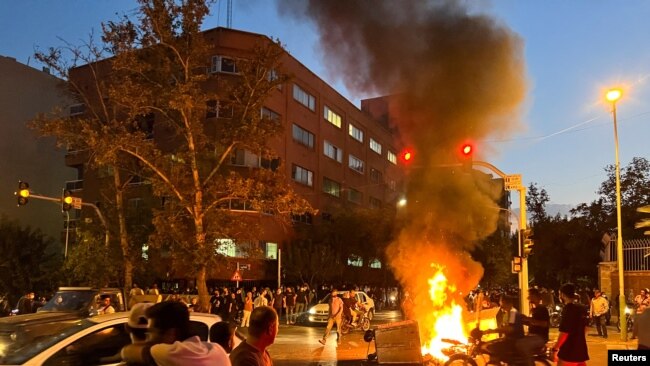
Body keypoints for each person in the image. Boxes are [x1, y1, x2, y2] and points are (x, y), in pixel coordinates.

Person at [121, 301, 230, 365]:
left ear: (170, 333)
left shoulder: (173, 354)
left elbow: (127, 352)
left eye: (151, 332)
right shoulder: (217, 349)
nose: (148, 339)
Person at [552, 283, 589, 365]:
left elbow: (564, 333)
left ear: (562, 294)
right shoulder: (582, 308)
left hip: (568, 351)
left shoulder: (567, 310)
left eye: (559, 294)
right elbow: (586, 329)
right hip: (581, 349)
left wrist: (555, 348)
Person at [481, 295, 525, 362]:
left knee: (492, 347)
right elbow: (504, 327)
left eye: (502, 304)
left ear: (508, 303)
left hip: (514, 340)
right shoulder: (507, 313)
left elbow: (510, 329)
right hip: (508, 338)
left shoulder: (513, 313)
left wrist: (492, 331)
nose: (501, 306)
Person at [517, 288, 550, 366]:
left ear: (535, 296)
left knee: (521, 345)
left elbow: (544, 324)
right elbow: (532, 323)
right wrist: (521, 321)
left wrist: (528, 319)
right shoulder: (533, 310)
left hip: (540, 337)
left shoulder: (542, 309)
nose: (528, 298)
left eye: (529, 296)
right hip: (532, 336)